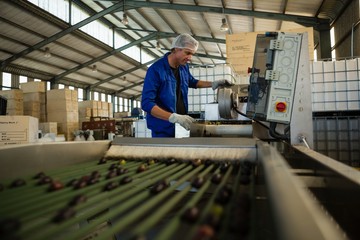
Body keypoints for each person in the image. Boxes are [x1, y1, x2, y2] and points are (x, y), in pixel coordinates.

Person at [141, 33, 232, 137]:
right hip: (163, 130)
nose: (190, 58)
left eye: (192, 54)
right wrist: (173, 117)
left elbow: (192, 81)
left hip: (181, 126)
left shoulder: (183, 67)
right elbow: (147, 103)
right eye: (187, 53)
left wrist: (213, 84)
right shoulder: (156, 70)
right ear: (176, 49)